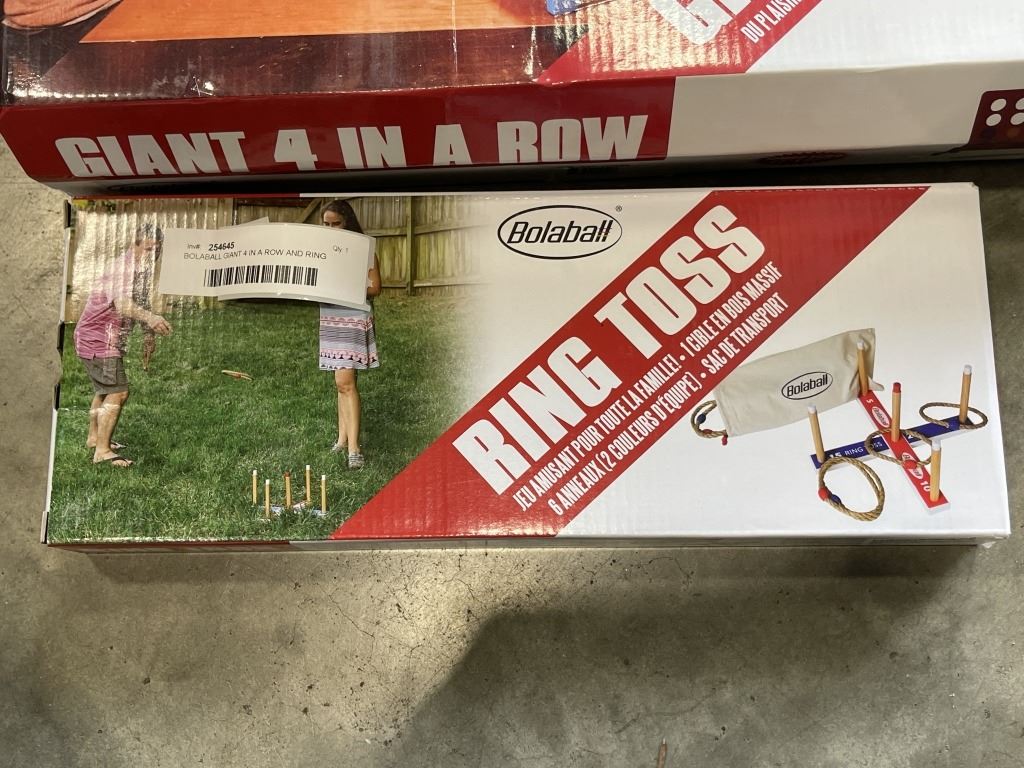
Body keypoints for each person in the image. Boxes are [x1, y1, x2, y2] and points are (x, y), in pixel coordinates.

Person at [74, 223, 172, 468]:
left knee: (105, 390)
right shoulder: (123, 268)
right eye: (148, 249)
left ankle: (94, 438)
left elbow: (141, 301)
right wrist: (151, 318)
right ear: (134, 245)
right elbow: (124, 305)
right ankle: (102, 451)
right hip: (97, 339)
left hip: (99, 338)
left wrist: (149, 335)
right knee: (118, 391)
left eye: (157, 250)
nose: (153, 254)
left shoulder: (140, 269)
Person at [319, 200, 381, 469]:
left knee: (346, 381)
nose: (331, 229)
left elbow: (375, 287)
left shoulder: (363, 248)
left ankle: (354, 449)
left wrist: (344, 285)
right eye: (326, 224)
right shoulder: (320, 250)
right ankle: (342, 439)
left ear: (348, 222)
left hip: (353, 316)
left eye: (337, 224)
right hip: (330, 315)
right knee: (340, 382)